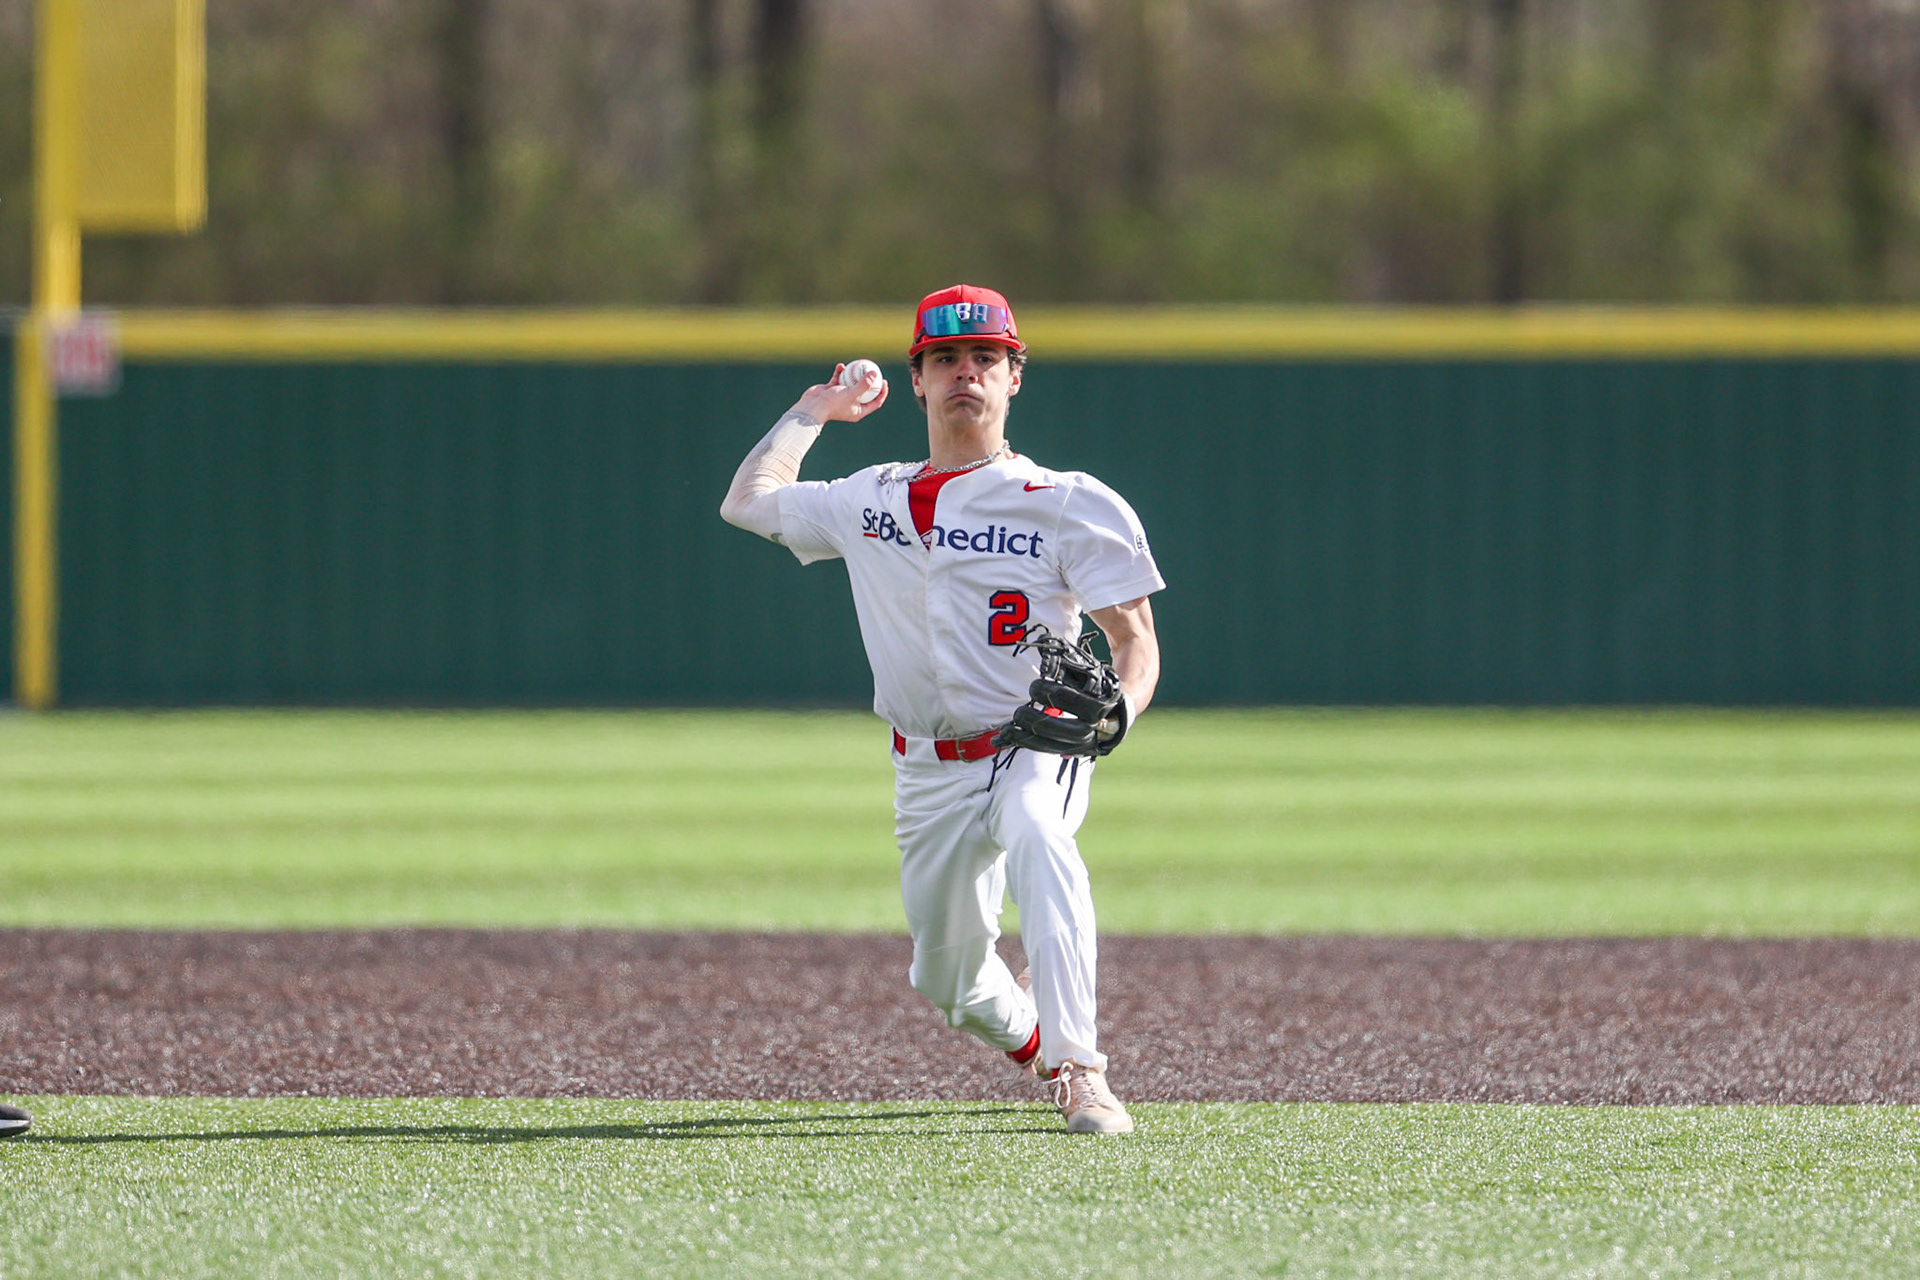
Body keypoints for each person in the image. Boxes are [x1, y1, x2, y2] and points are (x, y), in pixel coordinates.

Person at [719, 284, 1164, 1134]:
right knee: (947, 980)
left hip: (1035, 740)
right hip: (926, 763)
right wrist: (813, 411)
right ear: (917, 379)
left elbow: (1133, 638)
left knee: (1040, 833)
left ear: (1014, 377)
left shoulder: (1067, 499)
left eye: (986, 357)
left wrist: (1118, 711)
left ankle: (1082, 1069)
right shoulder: (867, 498)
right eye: (946, 359)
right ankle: (1037, 1041)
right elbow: (746, 500)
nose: (967, 373)